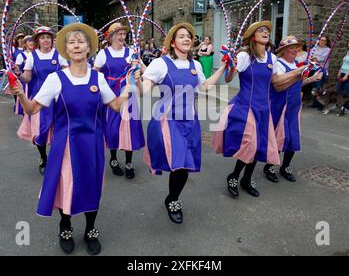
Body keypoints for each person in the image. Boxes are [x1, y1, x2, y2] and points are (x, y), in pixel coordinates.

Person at [9, 22, 141, 255]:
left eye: (81, 41)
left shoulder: (97, 79)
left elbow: (116, 105)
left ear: (89, 49)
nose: (77, 45)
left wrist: (129, 87)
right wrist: (20, 92)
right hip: (66, 145)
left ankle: (91, 229)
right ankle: (66, 225)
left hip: (93, 145)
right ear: (66, 50)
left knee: (92, 186)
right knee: (68, 186)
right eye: (72, 42)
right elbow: (31, 109)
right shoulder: (56, 79)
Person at [141, 22, 227, 224]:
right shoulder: (160, 64)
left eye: (189, 35)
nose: (187, 38)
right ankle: (173, 201)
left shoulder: (195, 65)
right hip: (168, 122)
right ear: (172, 42)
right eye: (181, 36)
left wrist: (222, 67)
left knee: (185, 166)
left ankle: (172, 196)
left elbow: (205, 87)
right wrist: (138, 80)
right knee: (179, 163)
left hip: (190, 121)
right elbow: (145, 89)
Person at [212, 21, 306, 198]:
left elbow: (276, 82)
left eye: (267, 31)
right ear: (253, 36)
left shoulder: (271, 58)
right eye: (261, 30)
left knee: (258, 147)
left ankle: (246, 179)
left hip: (264, 109)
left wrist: (297, 74)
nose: (266, 32)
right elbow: (228, 78)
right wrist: (230, 66)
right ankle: (233, 176)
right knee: (251, 144)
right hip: (245, 107)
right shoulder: (244, 56)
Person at [263, 36, 323, 183]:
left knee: (293, 136)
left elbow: (299, 84)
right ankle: (269, 167)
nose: (295, 50)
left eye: (297, 47)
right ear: (283, 50)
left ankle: (286, 167)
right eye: (292, 47)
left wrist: (312, 79)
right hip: (281, 105)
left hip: (294, 105)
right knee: (279, 136)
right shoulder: (278, 64)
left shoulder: (297, 64)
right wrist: (298, 74)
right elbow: (278, 86)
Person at [14, 27, 69, 175]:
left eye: (48, 37)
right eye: (42, 37)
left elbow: (67, 74)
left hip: (58, 98)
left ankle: (57, 159)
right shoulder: (32, 57)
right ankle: (43, 158)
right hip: (39, 99)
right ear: (37, 40)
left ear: (52, 40)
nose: (46, 40)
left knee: (60, 130)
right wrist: (19, 74)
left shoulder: (60, 55)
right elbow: (28, 78)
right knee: (40, 131)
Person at [94, 22, 145, 179]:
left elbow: (145, 70)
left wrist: (138, 69)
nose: (123, 37)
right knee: (112, 128)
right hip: (111, 94)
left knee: (130, 128)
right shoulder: (103, 54)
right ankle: (114, 159)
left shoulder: (131, 53)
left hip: (129, 92)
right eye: (119, 34)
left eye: (124, 34)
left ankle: (129, 163)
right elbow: (94, 75)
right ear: (111, 37)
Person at [14, 35, 34, 115]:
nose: (32, 43)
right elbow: (17, 70)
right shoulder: (21, 56)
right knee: (25, 106)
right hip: (25, 84)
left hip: (35, 82)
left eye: (33, 41)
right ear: (25, 44)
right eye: (29, 41)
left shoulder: (36, 55)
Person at [309, 35, 331, 108]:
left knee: (319, 87)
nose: (322, 41)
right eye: (321, 40)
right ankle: (315, 103)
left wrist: (315, 58)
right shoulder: (314, 48)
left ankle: (321, 104)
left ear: (326, 42)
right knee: (314, 87)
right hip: (313, 69)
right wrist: (314, 58)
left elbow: (323, 58)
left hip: (321, 70)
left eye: (324, 40)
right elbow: (310, 56)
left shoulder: (328, 49)